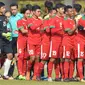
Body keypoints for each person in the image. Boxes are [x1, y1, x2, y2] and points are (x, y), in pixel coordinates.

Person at [47, 3, 65, 82]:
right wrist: (60, 29)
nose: (63, 10)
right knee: (52, 58)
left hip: (62, 41)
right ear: (58, 10)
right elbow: (52, 30)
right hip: (55, 41)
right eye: (62, 9)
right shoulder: (53, 19)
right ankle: (49, 76)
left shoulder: (63, 18)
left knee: (60, 59)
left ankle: (58, 76)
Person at [26, 5, 42, 80]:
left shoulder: (40, 20)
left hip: (38, 42)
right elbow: (32, 27)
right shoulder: (29, 20)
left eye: (40, 11)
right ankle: (28, 71)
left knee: (37, 58)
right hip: (31, 42)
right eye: (38, 11)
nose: (39, 13)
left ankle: (35, 75)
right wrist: (40, 23)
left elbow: (41, 31)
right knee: (32, 58)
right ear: (33, 12)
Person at [8, 3, 23, 78]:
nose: (13, 11)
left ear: (17, 9)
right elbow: (8, 28)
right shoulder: (9, 18)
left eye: (14, 9)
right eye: (12, 9)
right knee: (12, 56)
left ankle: (21, 74)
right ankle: (10, 74)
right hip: (12, 39)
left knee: (19, 56)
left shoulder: (21, 16)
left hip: (20, 38)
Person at [0, 2, 13, 79]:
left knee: (10, 55)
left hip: (5, 40)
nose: (4, 9)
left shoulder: (4, 17)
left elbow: (5, 27)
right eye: (3, 8)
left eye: (4, 8)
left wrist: (8, 32)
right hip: (0, 39)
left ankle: (5, 75)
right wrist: (2, 34)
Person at [17, 6, 30, 80]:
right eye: (27, 13)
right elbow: (23, 31)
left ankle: (24, 73)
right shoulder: (20, 21)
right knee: (21, 56)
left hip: (29, 40)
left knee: (26, 57)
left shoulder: (30, 21)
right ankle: (20, 74)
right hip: (21, 40)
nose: (28, 15)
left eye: (29, 14)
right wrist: (33, 29)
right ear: (23, 14)